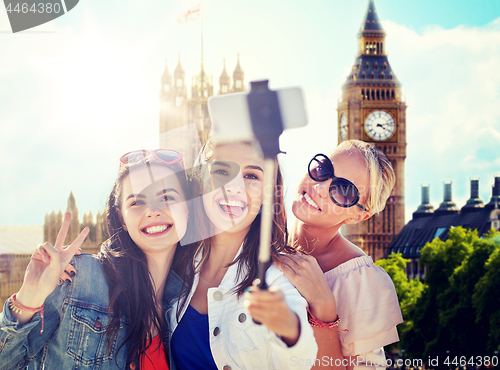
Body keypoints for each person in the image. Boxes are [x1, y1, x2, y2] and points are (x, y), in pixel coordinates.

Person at [0, 149, 191, 369]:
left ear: (188, 208)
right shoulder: (78, 280)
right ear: (122, 218)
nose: (153, 210)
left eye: (167, 197)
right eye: (137, 202)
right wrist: (28, 298)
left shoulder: (192, 302)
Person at [169, 138, 318, 369]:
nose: (234, 186)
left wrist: (289, 328)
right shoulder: (175, 260)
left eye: (251, 176)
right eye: (221, 170)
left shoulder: (277, 277)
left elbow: (300, 358)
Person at [278, 140, 403, 370]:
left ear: (358, 216)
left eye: (343, 190)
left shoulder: (361, 282)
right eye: (322, 169)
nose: (320, 187)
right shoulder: (257, 238)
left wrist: (323, 310)